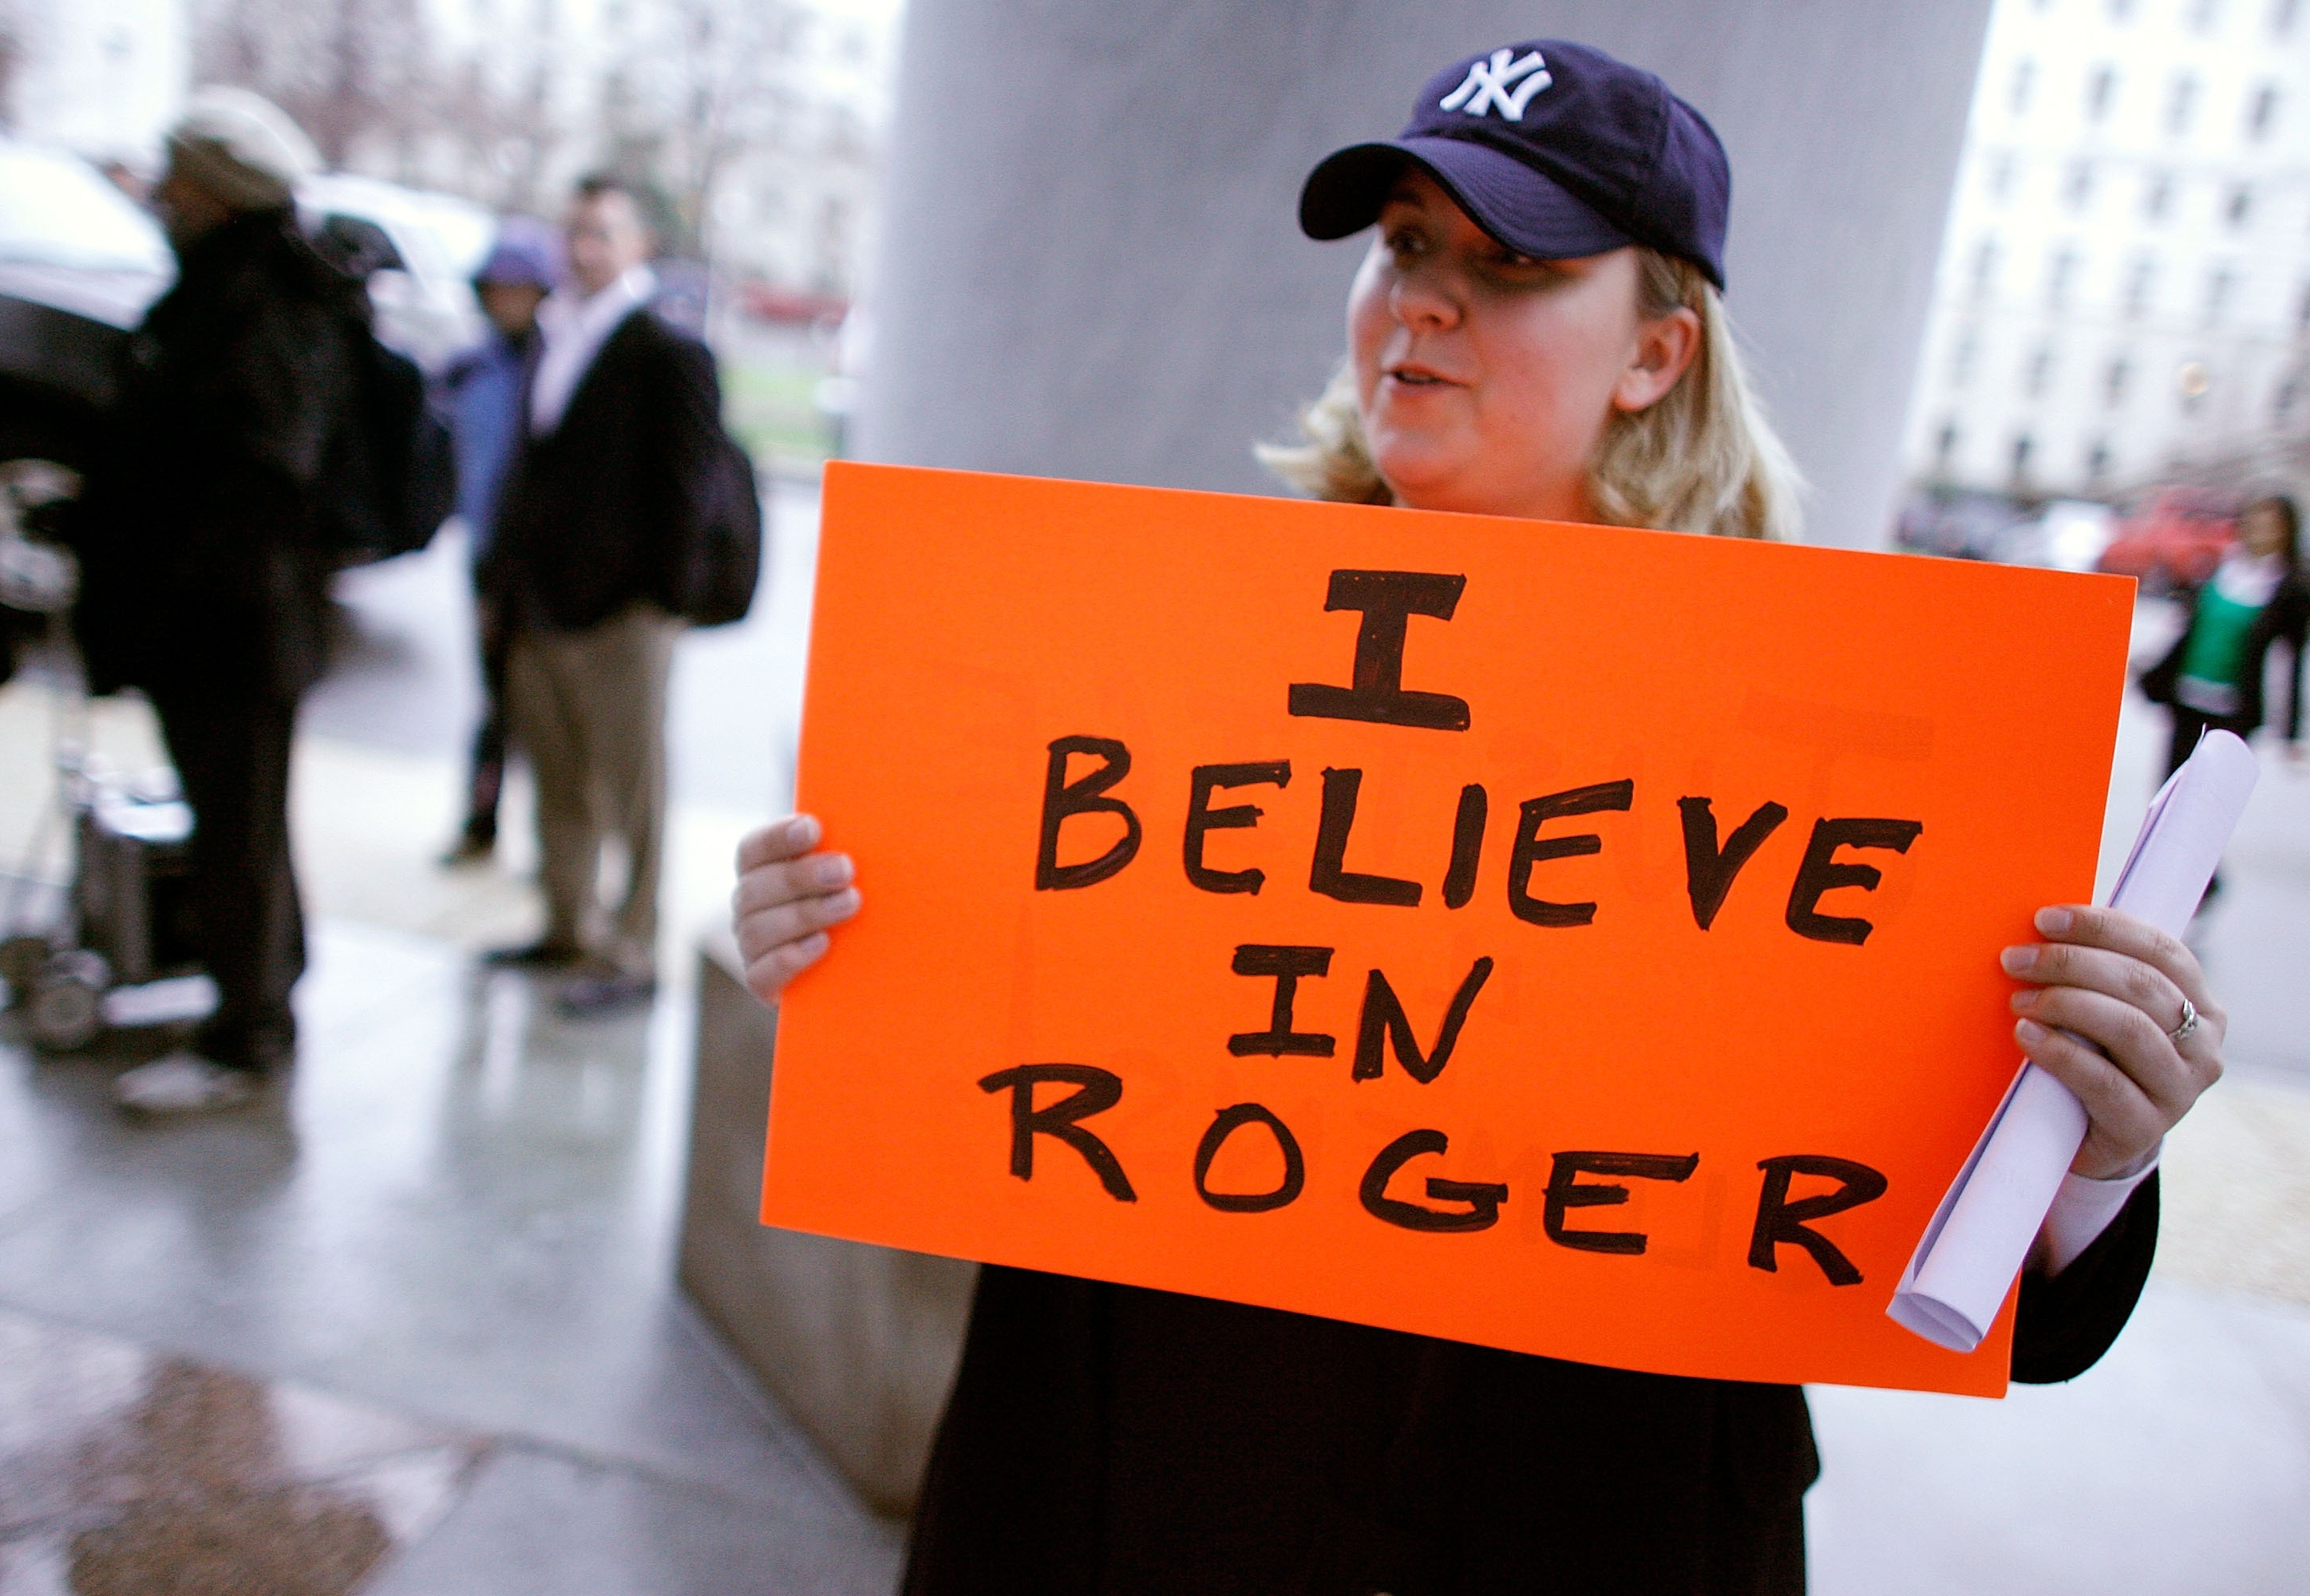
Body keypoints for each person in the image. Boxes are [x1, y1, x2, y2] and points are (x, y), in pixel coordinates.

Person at [729, 42, 2233, 1595]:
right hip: (1134, 1487)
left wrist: (2091, 1144)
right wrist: (851, 939)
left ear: (1657, 352)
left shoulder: (1832, 742)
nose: (1422, 299)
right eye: (1403, 246)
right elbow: (1014, 1078)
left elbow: (1995, 1291)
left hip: (1584, 1522)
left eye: (1509, 263)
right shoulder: (1163, 661)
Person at [76, 89, 357, 1116]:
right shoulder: (244, 289)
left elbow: (258, 479)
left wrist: (178, 579)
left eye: (174, 177)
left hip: (233, 628)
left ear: (209, 192)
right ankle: (268, 987)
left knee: (236, 825)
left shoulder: (256, 307)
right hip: (235, 621)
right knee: (247, 818)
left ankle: (247, 1033)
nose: (158, 194)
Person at [478, 174, 726, 1017]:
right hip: (540, 602)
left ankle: (635, 948)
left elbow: (687, 490)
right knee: (557, 779)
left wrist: (656, 599)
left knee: (632, 785)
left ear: (638, 245)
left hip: (622, 613)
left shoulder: (667, 348)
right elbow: (530, 471)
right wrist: (502, 586)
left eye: (602, 233)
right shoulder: (551, 334)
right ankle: (566, 926)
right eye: (573, 231)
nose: (582, 248)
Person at [439, 219, 560, 867]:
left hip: (540, 563)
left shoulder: (557, 365)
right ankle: (479, 820)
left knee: (546, 707)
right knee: (494, 701)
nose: (508, 301)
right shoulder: (468, 370)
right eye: (498, 288)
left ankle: (553, 846)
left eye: (521, 289)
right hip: (486, 557)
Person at [2139, 493, 2306, 781]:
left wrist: (2290, 732)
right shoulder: (2221, 568)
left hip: (2233, 712)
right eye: (2255, 523)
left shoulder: (2289, 588)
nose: (2260, 532)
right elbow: (2191, 630)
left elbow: (2291, 661)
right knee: (2169, 789)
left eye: (2271, 526)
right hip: (2187, 699)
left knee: (2208, 796)